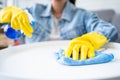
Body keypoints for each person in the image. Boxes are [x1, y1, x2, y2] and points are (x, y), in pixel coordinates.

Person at [0, 0, 118, 60]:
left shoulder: (83, 16)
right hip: (32, 63)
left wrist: (90, 41)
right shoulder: (33, 11)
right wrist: (6, 13)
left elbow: (108, 29)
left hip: (68, 69)